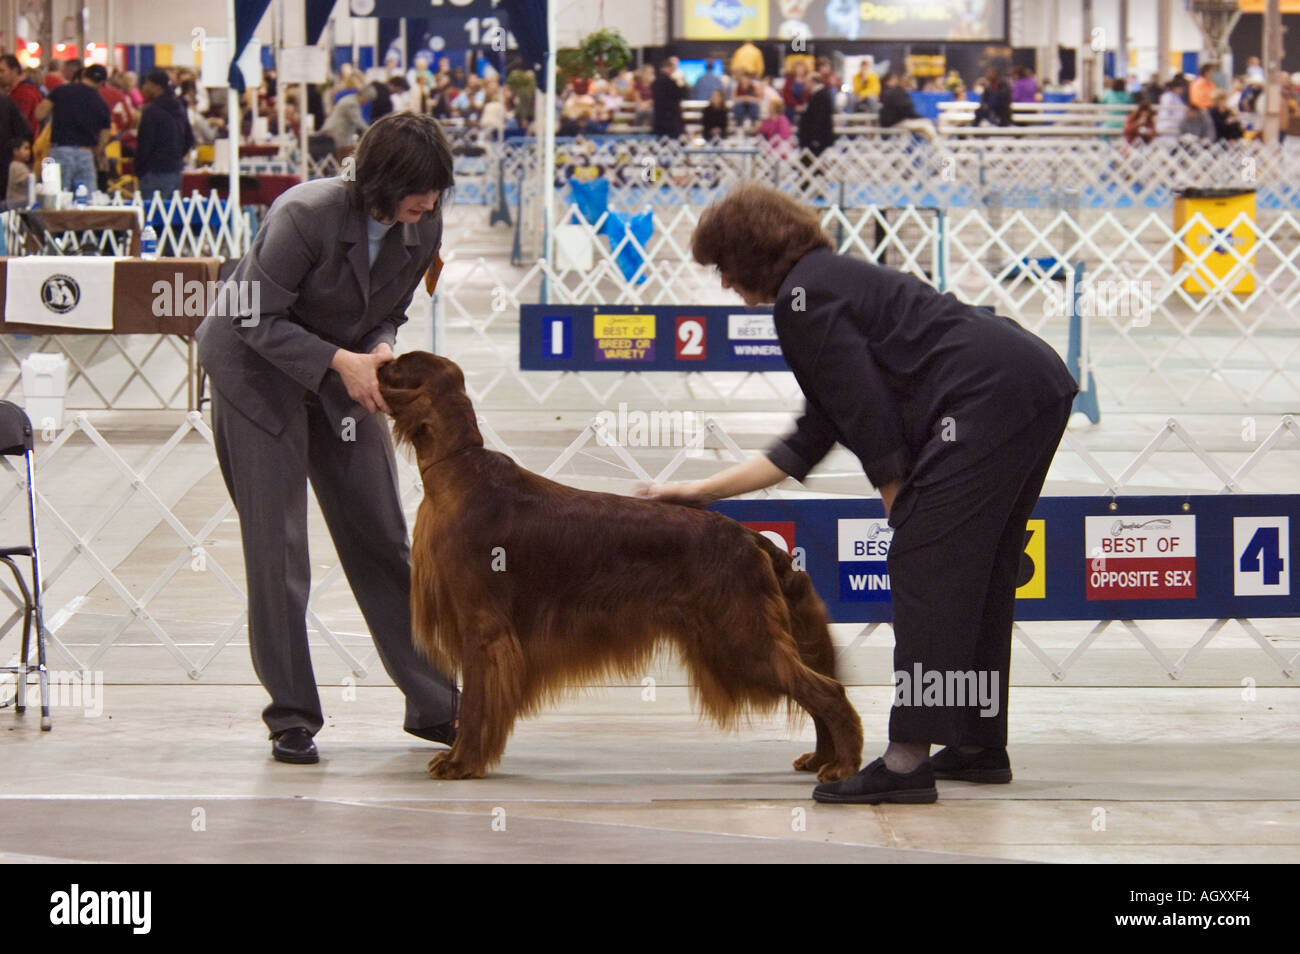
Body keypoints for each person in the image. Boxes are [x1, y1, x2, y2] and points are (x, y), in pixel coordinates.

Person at [641, 184, 1077, 804]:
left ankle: (905, 764)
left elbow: (868, 413)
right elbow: (819, 427)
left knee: (928, 569)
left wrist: (898, 496)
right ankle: (979, 744)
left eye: (723, 267)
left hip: (987, 396)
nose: (723, 284)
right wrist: (698, 492)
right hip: (1030, 381)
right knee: (979, 574)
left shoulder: (802, 298)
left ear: (749, 252)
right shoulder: (822, 282)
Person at [195, 112, 461, 764]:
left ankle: (438, 705)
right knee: (279, 548)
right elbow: (251, 314)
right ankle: (291, 717)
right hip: (255, 376)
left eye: (435, 192)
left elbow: (393, 305)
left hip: (345, 377)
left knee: (383, 536)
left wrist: (380, 346)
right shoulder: (306, 216)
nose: (427, 205)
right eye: (416, 191)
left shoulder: (424, 221)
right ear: (379, 181)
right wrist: (340, 362)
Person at [34, 62, 111, 194]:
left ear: (84, 75)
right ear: (102, 83)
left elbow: (39, 114)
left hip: (59, 150)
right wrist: (96, 151)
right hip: (85, 153)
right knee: (87, 197)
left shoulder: (60, 90)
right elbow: (105, 135)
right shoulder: (101, 103)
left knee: (55, 195)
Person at [134, 69, 194, 201]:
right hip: (174, 170)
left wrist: (139, 168)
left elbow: (145, 143)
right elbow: (189, 139)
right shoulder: (180, 107)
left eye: (146, 84)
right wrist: (176, 156)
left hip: (153, 172)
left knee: (151, 215)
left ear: (156, 86)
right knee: (170, 215)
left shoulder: (151, 111)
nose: (143, 88)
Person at [879, 71, 937, 140]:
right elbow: (908, 112)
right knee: (926, 125)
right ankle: (938, 148)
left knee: (924, 128)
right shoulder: (898, 92)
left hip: (888, 124)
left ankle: (934, 146)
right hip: (896, 123)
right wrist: (921, 118)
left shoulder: (883, 92)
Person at [0, 55, 42, 133]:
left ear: (15, 71)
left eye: (2, 71)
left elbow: (13, 122)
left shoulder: (24, 93)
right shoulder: (14, 92)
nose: (0, 75)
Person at [797, 74, 836, 156]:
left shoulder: (821, 96)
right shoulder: (815, 95)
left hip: (817, 139)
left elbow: (820, 118)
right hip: (812, 138)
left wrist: (816, 138)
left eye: (807, 82)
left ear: (813, 82)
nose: (805, 84)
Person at [651, 59, 685, 139]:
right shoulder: (670, 82)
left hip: (659, 118)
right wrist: (681, 83)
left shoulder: (655, 82)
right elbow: (681, 94)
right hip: (671, 119)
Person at [5, 135, 31, 205]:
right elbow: (27, 181)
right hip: (17, 203)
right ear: (16, 151)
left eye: (29, 149)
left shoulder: (20, 165)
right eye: (25, 148)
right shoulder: (16, 166)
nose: (28, 152)